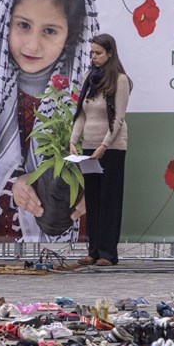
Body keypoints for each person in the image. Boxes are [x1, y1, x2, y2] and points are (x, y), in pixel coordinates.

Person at [0, 0, 99, 242]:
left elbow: (99, 148)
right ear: (5, 23)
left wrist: (93, 188)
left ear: (71, 35)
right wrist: (17, 182)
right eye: (23, 25)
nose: (32, 45)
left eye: (49, 31)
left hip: (67, 222)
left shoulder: (84, 90)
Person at [68, 33, 132, 267]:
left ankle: (107, 252)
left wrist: (104, 145)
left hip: (112, 147)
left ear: (110, 53)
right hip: (89, 147)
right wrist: (74, 141)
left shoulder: (120, 80)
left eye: (98, 53)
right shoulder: (89, 78)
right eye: (92, 53)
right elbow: (82, 114)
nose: (94, 57)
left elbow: (118, 118)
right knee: (92, 198)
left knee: (109, 199)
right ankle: (92, 250)